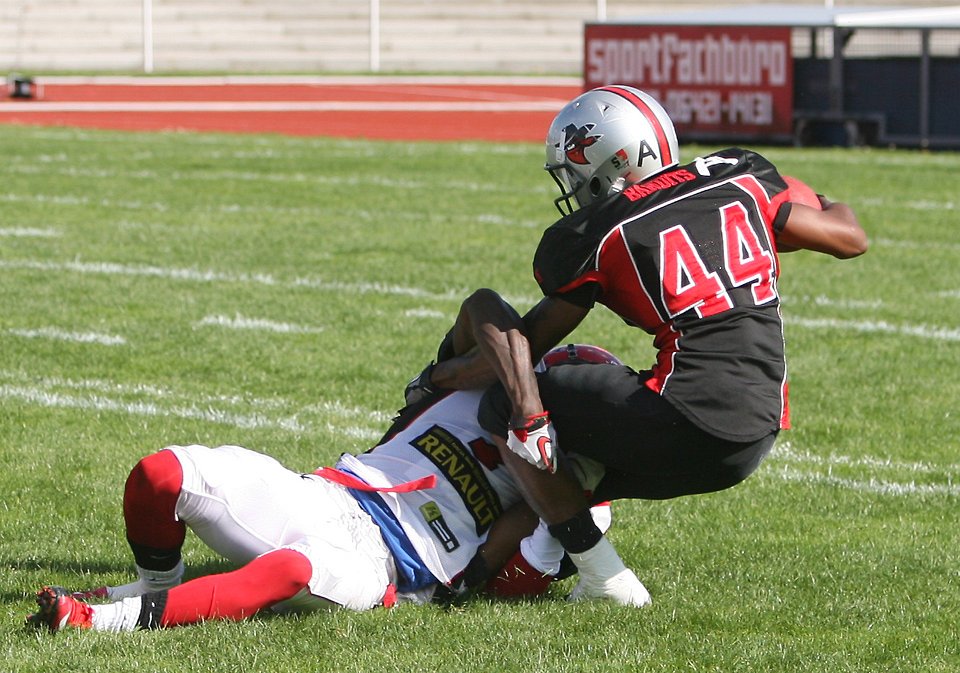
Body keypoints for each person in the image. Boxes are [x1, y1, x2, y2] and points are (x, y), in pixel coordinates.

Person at [409, 85, 869, 596]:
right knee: (578, 464)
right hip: (758, 429)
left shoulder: (599, 231)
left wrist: (435, 377)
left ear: (613, 160)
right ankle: (489, 572)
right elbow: (852, 239)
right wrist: (820, 200)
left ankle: (602, 576)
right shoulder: (740, 179)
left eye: (575, 171)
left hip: (685, 414)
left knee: (507, 405)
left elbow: (517, 355)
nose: (572, 186)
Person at [26, 292, 638, 635]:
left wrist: (540, 508)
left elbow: (509, 580)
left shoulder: (573, 484)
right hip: (332, 495)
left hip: (389, 567)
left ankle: (103, 620)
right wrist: (512, 394)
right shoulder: (484, 380)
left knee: (291, 569)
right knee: (161, 474)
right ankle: (157, 584)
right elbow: (481, 305)